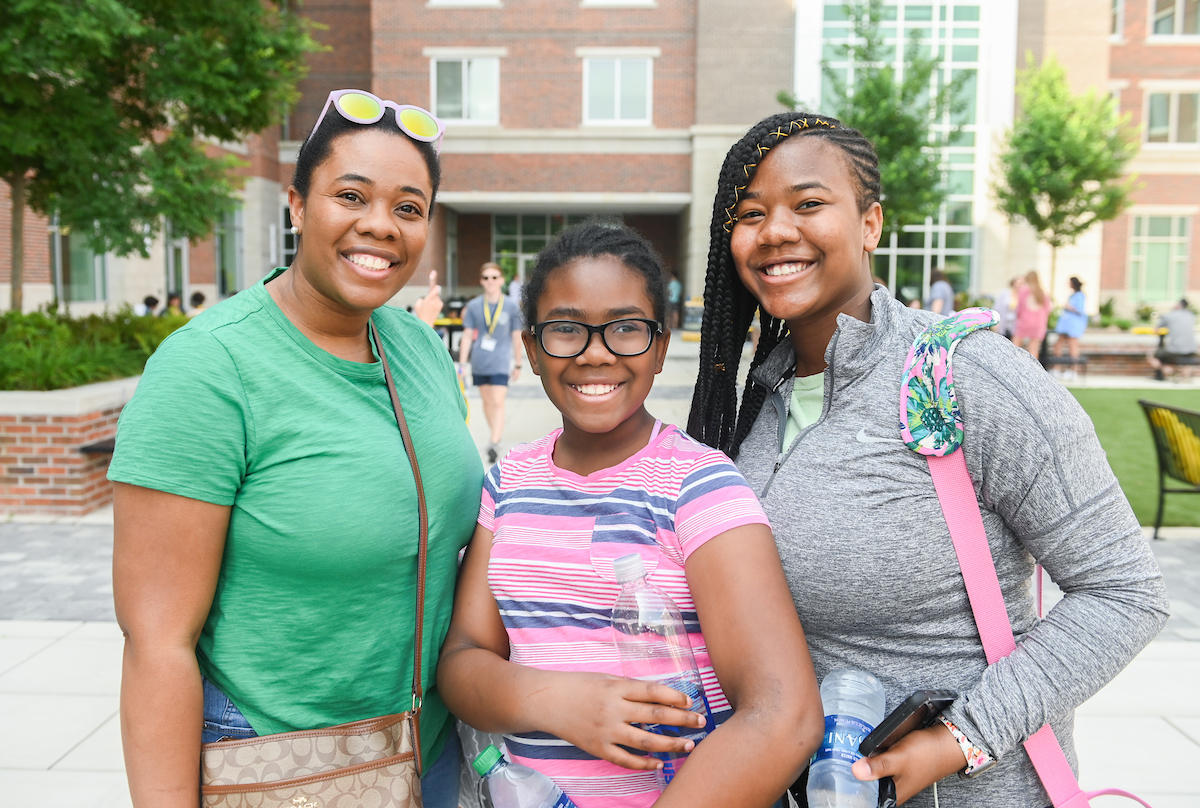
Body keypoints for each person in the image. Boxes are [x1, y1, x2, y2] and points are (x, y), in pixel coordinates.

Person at [686, 111, 1168, 807]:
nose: (776, 231)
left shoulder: (966, 377)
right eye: (751, 213)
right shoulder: (752, 405)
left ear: (870, 224)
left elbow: (1125, 591)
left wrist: (959, 739)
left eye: (810, 204)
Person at [109, 90, 478, 808]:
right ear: (297, 205)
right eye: (351, 196)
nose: (381, 225)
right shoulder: (210, 368)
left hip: (424, 749)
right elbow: (157, 642)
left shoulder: (415, 346)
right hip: (277, 761)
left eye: (409, 207)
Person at [437, 222, 822, 808]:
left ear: (661, 348)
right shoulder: (508, 484)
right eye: (566, 330)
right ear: (532, 351)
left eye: (625, 329)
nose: (596, 352)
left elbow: (783, 715)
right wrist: (556, 700)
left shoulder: (699, 487)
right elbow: (464, 658)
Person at [460, 261, 523, 463]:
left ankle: (495, 440)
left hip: (501, 362)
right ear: (481, 281)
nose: (490, 281)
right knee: (487, 402)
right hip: (479, 361)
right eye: (486, 278)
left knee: (497, 401)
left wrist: (518, 362)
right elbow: (467, 334)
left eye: (494, 277)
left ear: (501, 280)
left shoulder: (511, 306)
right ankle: (495, 435)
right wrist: (462, 364)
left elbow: (516, 336)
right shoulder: (474, 306)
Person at [1147, 298, 1198, 381]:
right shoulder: (1191, 315)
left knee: (1152, 355)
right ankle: (1185, 376)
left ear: (1178, 305)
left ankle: (1168, 371)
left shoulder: (1169, 315)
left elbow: (1156, 329)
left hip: (1175, 349)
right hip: (1191, 349)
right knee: (1184, 357)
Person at [1051, 276, 1088, 377]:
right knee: (1058, 345)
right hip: (1065, 324)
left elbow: (1080, 310)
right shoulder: (1072, 295)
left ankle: (1074, 370)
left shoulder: (1080, 296)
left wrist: (1069, 307)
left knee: (1073, 346)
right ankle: (1056, 368)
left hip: (1073, 325)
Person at [1012, 269, 1049, 358]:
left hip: (1025, 321)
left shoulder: (1024, 291)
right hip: (1038, 323)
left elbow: (1019, 308)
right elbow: (1047, 309)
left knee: (1014, 346)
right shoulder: (1042, 293)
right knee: (1034, 349)